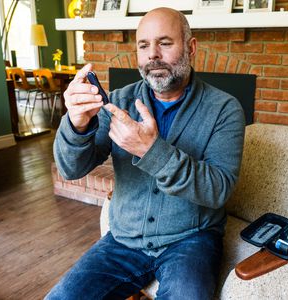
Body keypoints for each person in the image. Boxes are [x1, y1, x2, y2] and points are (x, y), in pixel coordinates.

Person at [46, 7, 245, 300]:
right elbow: (70, 169)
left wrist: (151, 151)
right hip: (124, 239)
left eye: (164, 43)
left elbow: (218, 190)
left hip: (190, 239)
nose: (153, 54)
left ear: (191, 48)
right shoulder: (117, 102)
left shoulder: (225, 109)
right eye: (143, 45)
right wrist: (76, 124)